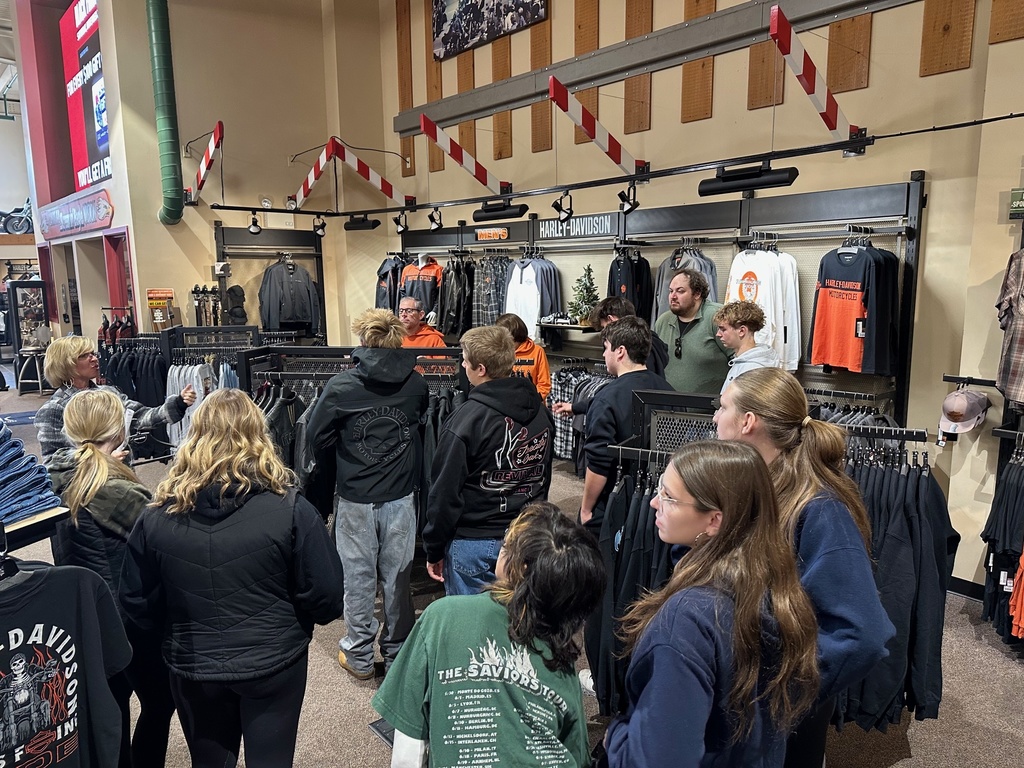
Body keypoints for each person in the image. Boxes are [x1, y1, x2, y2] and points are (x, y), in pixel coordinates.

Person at [119, 389, 345, 768]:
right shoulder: (291, 509)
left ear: (194, 436)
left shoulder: (155, 516)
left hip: (193, 666)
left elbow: (137, 604)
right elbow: (327, 598)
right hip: (274, 662)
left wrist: (176, 629)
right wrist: (292, 621)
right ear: (259, 435)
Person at [714, 368, 895, 768]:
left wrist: (787, 691)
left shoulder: (820, 510)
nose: (714, 417)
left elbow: (862, 632)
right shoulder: (757, 488)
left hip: (781, 713)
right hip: (742, 701)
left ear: (748, 422)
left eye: (722, 406)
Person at [605, 440, 820, 767]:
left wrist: (617, 737)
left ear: (714, 521)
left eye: (668, 496)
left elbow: (659, 759)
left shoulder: (689, 620)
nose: (652, 502)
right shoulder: (777, 590)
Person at [373, 502, 605, 768]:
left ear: (522, 567)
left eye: (507, 544)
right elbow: (576, 753)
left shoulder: (441, 617)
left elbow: (409, 747)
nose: (500, 548)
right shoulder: (561, 654)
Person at [46, 389, 175, 768]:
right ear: (117, 428)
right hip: (130, 615)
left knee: (111, 706)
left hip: (84, 613)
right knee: (159, 700)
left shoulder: (59, 473)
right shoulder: (115, 490)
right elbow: (164, 535)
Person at [305, 309, 429, 681]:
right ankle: (395, 654)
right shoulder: (416, 384)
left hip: (356, 496)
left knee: (357, 578)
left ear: (362, 341)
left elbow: (315, 435)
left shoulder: (342, 386)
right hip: (401, 495)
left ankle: (358, 655)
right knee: (398, 577)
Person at [422, 325, 554, 595]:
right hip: (526, 537)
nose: (462, 365)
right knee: (518, 627)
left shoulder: (465, 420)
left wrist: (433, 547)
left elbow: (444, 492)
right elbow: (543, 474)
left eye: (465, 360)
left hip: (474, 542)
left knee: (471, 631)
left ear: (480, 369)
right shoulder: (541, 412)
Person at [35, 335, 196, 462]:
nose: (94, 359)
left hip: (120, 479)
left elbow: (140, 417)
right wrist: (101, 461)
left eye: (93, 353)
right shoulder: (54, 409)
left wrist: (178, 404)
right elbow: (53, 463)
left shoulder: (108, 394)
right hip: (84, 489)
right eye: (84, 356)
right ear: (65, 364)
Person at [580, 317, 673, 531]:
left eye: (606, 348)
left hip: (615, 503)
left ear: (620, 351)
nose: (604, 355)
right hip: (659, 499)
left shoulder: (606, 399)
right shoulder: (669, 389)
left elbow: (598, 464)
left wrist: (585, 509)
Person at [551, 298, 669, 417]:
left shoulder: (638, 361)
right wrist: (575, 407)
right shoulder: (650, 344)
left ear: (611, 320)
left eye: (604, 327)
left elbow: (614, 400)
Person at [653, 268, 730, 394]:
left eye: (680, 291)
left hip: (710, 410)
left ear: (697, 294)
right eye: (671, 291)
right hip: (669, 408)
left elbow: (738, 359)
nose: (673, 296)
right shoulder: (663, 321)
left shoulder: (717, 317)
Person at [714, 300, 781, 392]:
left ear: (742, 331)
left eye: (723, 329)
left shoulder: (751, 370)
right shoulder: (745, 362)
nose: (718, 334)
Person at [496, 312, 551, 400]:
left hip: (533, 406)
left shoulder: (537, 351)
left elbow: (544, 384)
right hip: (505, 405)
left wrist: (532, 401)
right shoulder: (498, 352)